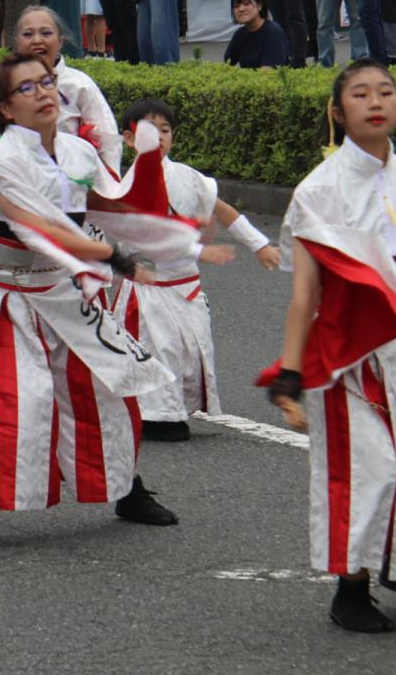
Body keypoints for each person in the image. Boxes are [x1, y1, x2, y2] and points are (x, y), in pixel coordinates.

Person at [0, 53, 193, 549]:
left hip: (65, 289)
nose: (43, 92)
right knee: (10, 402)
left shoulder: (79, 152)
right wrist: (112, 255)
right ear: (6, 111)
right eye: (27, 88)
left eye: (47, 83)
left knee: (108, 388)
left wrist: (165, 221)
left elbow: (110, 203)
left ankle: (126, 489)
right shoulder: (2, 159)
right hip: (4, 296)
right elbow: (39, 227)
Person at [265, 59, 396, 633]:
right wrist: (290, 373)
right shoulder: (318, 191)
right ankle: (351, 587)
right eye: (361, 93)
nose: (376, 101)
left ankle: (393, 565)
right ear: (337, 111)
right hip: (353, 356)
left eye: (386, 91)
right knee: (373, 469)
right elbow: (305, 294)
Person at [110, 99, 280, 442]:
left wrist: (259, 244)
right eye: (147, 130)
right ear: (128, 139)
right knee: (158, 348)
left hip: (187, 286)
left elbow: (223, 211)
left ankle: (175, 410)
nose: (157, 137)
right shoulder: (122, 187)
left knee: (191, 348)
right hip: (149, 287)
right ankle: (155, 417)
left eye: (165, 130)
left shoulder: (187, 177)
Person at [0, 5, 122, 220]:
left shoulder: (80, 84)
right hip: (18, 182)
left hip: (69, 186)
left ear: (61, 40)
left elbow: (107, 139)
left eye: (46, 33)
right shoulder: (3, 83)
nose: (37, 40)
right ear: (16, 41)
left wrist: (112, 190)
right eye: (28, 34)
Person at [223, 0, 292, 68]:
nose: (241, 9)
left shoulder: (273, 32)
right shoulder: (239, 34)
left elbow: (267, 74)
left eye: (246, 4)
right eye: (236, 6)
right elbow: (226, 66)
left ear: (260, 5)